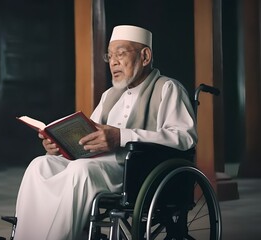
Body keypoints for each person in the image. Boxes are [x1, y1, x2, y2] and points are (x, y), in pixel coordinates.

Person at [12, 25, 197, 240]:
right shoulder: (110, 95)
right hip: (96, 164)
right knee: (40, 165)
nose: (113, 62)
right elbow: (88, 137)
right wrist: (58, 145)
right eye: (109, 56)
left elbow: (185, 137)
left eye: (120, 54)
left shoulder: (168, 88)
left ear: (145, 56)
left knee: (81, 170)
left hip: (134, 173)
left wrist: (122, 136)